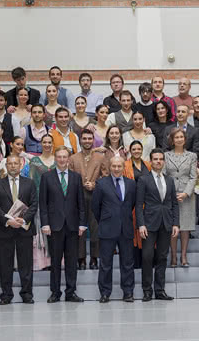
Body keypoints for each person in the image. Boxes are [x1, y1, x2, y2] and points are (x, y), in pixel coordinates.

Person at [40, 147, 87, 303]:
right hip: (54, 226)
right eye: (59, 157)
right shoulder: (46, 177)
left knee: (72, 261)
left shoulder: (76, 177)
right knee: (55, 261)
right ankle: (55, 292)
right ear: (55, 158)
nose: (61, 159)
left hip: (73, 226)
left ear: (69, 159)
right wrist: (45, 223)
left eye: (64, 157)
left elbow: (81, 203)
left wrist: (82, 224)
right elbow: (43, 204)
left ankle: (70, 292)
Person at [0, 154, 38, 305]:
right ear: (6, 166)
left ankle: (27, 294)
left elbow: (34, 204)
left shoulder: (29, 184)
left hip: (25, 229)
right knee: (5, 265)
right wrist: (7, 220)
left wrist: (24, 219)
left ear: (20, 165)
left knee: (26, 264)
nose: (12, 166)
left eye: (15, 164)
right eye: (9, 164)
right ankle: (6, 295)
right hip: (5, 230)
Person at [135, 149, 180, 301]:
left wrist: (176, 223)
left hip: (166, 224)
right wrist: (141, 225)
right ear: (151, 161)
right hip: (149, 224)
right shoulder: (143, 179)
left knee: (162, 257)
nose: (158, 161)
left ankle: (160, 290)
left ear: (164, 161)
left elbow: (174, 203)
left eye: (161, 159)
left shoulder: (169, 180)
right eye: (155, 159)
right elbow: (139, 203)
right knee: (147, 257)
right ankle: (147, 290)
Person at [92, 156, 138, 303]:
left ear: (123, 167)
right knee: (106, 263)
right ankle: (105, 293)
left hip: (126, 229)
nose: (117, 169)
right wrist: (106, 220)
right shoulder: (101, 183)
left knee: (127, 263)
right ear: (110, 167)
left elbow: (132, 205)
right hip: (107, 228)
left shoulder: (131, 184)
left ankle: (128, 292)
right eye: (114, 166)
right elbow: (95, 207)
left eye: (119, 166)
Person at [69, 130, 104, 270]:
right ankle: (81, 258)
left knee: (95, 228)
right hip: (78, 197)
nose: (87, 141)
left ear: (93, 140)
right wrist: (80, 185)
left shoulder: (100, 157)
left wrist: (95, 185)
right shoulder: (73, 158)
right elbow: (70, 177)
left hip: (96, 196)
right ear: (81, 140)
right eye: (85, 138)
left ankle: (94, 258)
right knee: (80, 228)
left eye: (90, 138)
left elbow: (106, 176)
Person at [164, 129, 198, 268]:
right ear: (172, 140)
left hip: (186, 196)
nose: (179, 139)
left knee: (185, 227)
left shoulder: (192, 156)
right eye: (176, 137)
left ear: (185, 139)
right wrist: (170, 193)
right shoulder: (165, 155)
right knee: (174, 226)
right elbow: (164, 175)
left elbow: (193, 176)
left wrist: (186, 193)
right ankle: (173, 256)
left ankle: (183, 256)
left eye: (181, 137)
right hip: (171, 195)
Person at [26, 135, 56, 271]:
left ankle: (56, 259)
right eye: (45, 142)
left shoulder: (58, 159)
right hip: (40, 199)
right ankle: (43, 262)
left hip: (57, 201)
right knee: (41, 230)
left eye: (50, 142)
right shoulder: (35, 161)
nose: (47, 144)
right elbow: (31, 181)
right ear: (41, 144)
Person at [124, 140, 150, 268]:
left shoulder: (148, 165)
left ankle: (148, 262)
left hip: (147, 204)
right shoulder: (125, 165)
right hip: (131, 204)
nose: (136, 151)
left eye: (139, 149)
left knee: (147, 233)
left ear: (142, 150)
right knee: (134, 233)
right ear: (130, 150)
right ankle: (136, 262)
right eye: (134, 149)